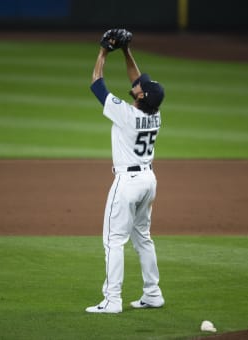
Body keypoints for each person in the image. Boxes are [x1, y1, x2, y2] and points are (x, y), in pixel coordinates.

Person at [85, 29, 165, 314]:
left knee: (113, 240)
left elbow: (96, 84)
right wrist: (127, 50)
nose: (137, 84)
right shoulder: (154, 114)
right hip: (148, 181)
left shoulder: (126, 114)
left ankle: (112, 300)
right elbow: (138, 81)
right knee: (142, 237)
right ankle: (152, 294)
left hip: (128, 182)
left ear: (141, 97)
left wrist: (104, 51)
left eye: (141, 87)